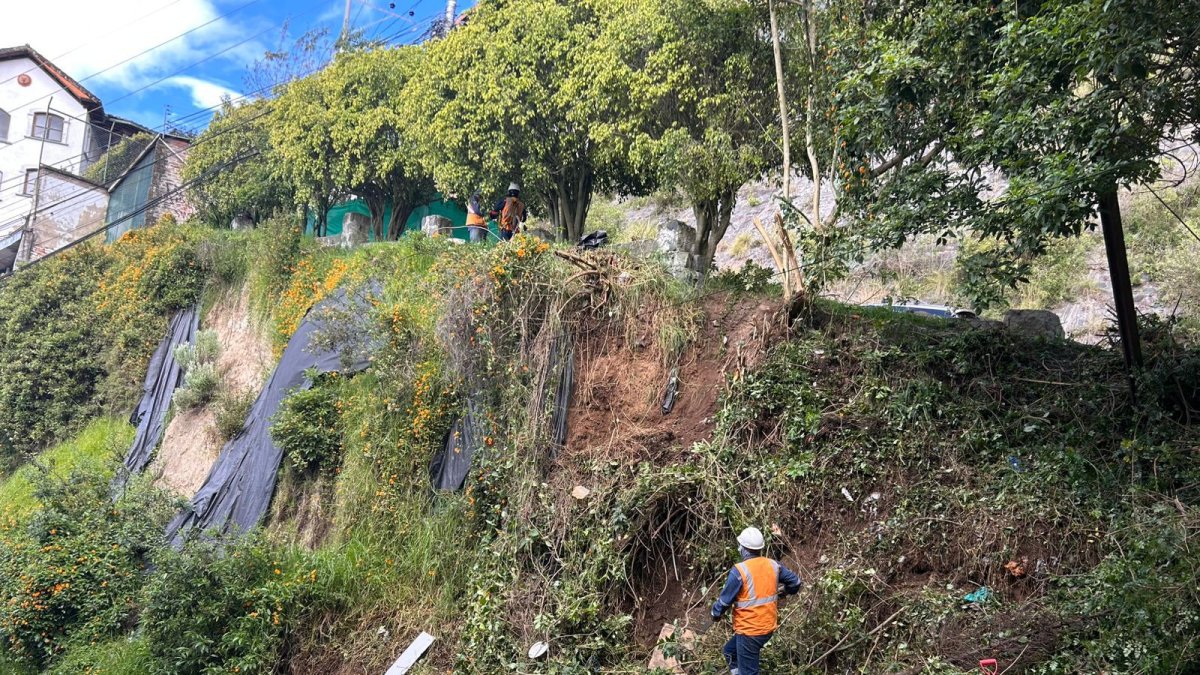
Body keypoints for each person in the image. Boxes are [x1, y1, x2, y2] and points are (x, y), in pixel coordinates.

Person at [711, 527, 802, 675]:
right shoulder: (773, 565)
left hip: (750, 632)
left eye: (740, 546)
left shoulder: (740, 571)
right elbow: (796, 583)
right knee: (729, 652)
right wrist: (784, 592)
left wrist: (715, 613)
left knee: (749, 673)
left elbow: (724, 602)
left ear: (743, 549)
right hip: (767, 628)